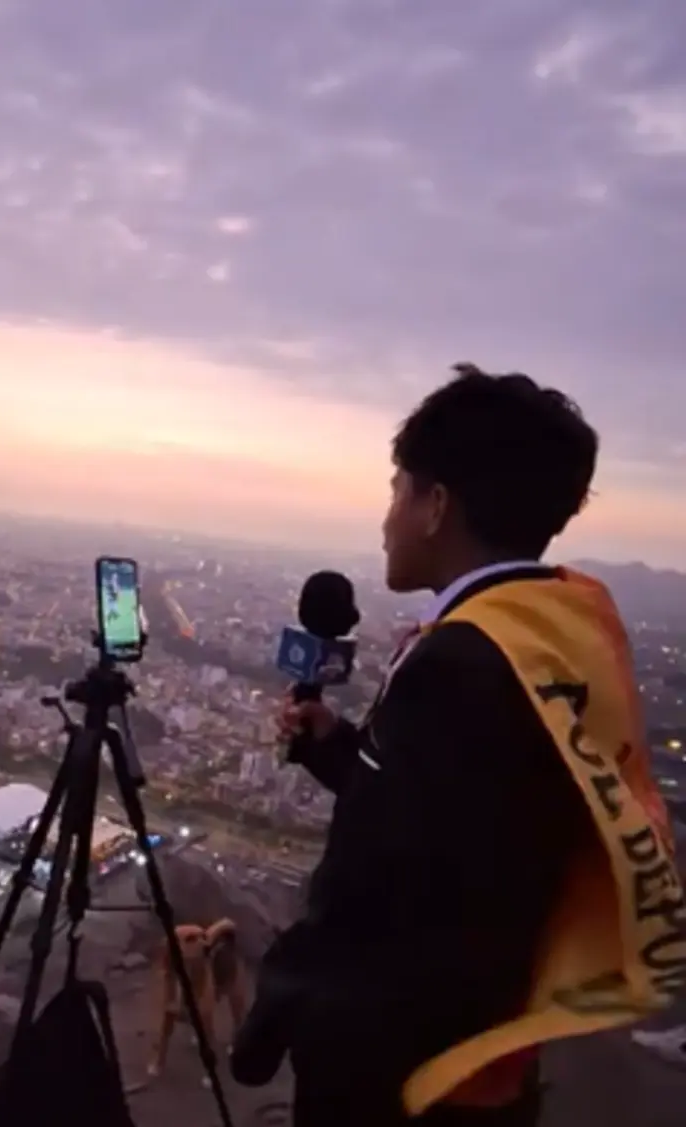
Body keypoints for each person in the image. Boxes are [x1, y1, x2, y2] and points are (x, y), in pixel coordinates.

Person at [232, 363, 677, 1125]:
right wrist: (338, 748)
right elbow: (450, 818)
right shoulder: (552, 635)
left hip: (399, 1063)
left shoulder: (462, 661)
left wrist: (280, 999)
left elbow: (374, 887)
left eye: (398, 491)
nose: (387, 520)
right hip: (488, 1037)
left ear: (436, 505)